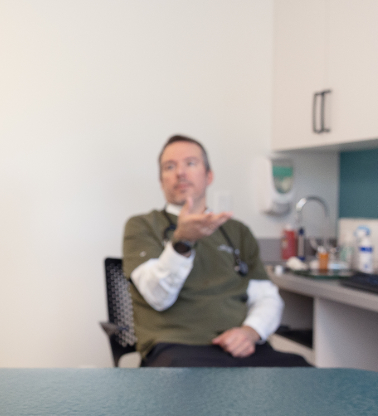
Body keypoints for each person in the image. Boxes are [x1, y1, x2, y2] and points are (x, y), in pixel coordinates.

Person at [122, 135, 310, 367]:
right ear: (162, 181)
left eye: (190, 163)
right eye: (170, 167)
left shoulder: (237, 231)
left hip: (240, 348)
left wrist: (250, 332)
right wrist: (182, 243)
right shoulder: (142, 226)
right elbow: (158, 297)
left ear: (209, 176)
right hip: (177, 351)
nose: (180, 172)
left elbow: (267, 297)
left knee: (304, 376)